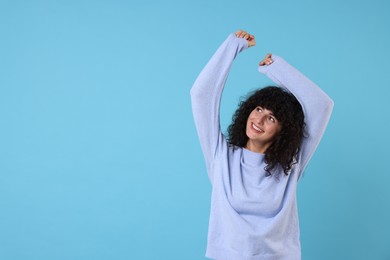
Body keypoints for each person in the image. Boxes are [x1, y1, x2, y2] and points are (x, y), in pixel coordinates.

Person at [190, 30, 334, 260]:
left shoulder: (290, 166)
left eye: (272, 118)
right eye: (258, 109)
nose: (259, 119)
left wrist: (276, 68)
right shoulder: (221, 157)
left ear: (282, 132)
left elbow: (322, 105)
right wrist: (232, 47)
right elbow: (200, 95)